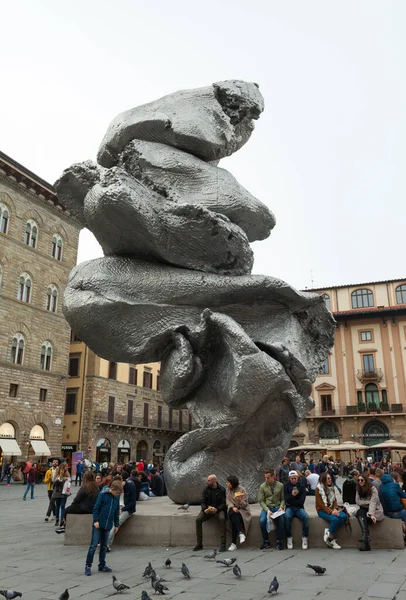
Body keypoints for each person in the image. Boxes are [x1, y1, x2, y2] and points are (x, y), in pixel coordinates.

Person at [84, 480, 122, 576]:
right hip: (98, 524)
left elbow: (116, 512)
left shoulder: (116, 498)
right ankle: (88, 565)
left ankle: (102, 565)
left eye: (119, 494)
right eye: (117, 493)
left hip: (108, 525)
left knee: (104, 546)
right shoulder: (103, 495)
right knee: (93, 545)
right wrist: (96, 520)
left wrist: (116, 525)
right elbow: (96, 508)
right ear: (112, 489)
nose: (117, 495)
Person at [194, 474, 227, 552]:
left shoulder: (222, 490)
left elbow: (224, 503)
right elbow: (202, 501)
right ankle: (199, 543)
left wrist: (217, 509)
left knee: (222, 518)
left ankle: (223, 543)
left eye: (209, 480)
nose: (207, 482)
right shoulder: (206, 489)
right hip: (207, 510)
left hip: (218, 510)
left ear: (214, 481)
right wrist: (205, 509)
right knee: (198, 519)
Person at [315, 472, 348, 549]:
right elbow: (321, 505)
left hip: (332, 509)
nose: (330, 480)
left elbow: (334, 500)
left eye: (330, 478)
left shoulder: (332, 487)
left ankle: (329, 532)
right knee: (335, 519)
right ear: (323, 480)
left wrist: (335, 509)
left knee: (344, 516)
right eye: (328, 479)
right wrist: (331, 511)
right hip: (322, 511)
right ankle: (331, 538)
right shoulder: (318, 489)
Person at [355, 473, 384, 551]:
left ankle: (365, 541)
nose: (360, 482)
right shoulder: (358, 489)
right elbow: (357, 501)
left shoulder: (372, 489)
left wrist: (371, 514)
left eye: (362, 480)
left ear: (366, 480)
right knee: (360, 512)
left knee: (364, 518)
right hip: (364, 509)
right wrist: (368, 502)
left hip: (375, 510)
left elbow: (373, 502)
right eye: (358, 480)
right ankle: (365, 537)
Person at [258, 469, 285, 550]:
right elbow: (261, 500)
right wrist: (267, 510)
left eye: (268, 477)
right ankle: (266, 541)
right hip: (268, 507)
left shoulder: (280, 485)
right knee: (262, 521)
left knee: (281, 520)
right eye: (265, 478)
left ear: (273, 476)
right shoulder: (262, 486)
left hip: (277, 507)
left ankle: (279, 541)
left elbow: (283, 499)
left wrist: (281, 507)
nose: (266, 479)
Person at [107, 477, 137, 550]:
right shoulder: (115, 489)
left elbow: (133, 502)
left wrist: (122, 509)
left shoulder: (130, 486)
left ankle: (106, 543)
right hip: (117, 508)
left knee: (117, 521)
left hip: (127, 509)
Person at [284, 470, 309, 550]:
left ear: (297, 478)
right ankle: (289, 537)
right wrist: (292, 495)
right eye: (292, 479)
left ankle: (304, 537)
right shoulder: (286, 486)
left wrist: (290, 501)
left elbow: (302, 501)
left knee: (306, 517)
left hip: (299, 508)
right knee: (287, 517)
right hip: (289, 508)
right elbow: (285, 499)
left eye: (295, 478)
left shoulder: (301, 486)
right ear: (289, 478)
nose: (293, 480)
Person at [225, 476, 251, 551]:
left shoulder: (242, 490)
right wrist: (233, 507)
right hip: (232, 508)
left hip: (242, 509)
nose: (226, 484)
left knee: (234, 518)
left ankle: (233, 543)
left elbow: (245, 504)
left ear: (232, 483)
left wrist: (240, 500)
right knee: (232, 513)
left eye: (228, 482)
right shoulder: (227, 490)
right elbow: (228, 501)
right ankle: (240, 533)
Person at [52, 463, 71, 527]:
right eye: (66, 466)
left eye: (67, 466)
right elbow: (54, 482)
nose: (67, 468)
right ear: (62, 467)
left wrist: (68, 479)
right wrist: (61, 478)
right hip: (58, 492)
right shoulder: (57, 473)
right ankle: (57, 519)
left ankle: (62, 520)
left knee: (62, 506)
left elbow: (69, 481)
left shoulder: (67, 473)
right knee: (57, 506)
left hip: (64, 492)